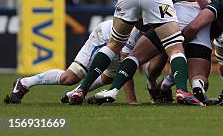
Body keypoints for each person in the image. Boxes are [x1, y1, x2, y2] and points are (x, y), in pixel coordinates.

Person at [70, 0, 211, 106]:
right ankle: (182, 90)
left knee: (113, 45)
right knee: (175, 48)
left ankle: (81, 89)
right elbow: (203, 1)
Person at [5, 20, 142, 104]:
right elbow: (126, 61)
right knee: (69, 78)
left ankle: (75, 94)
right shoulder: (136, 28)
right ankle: (25, 83)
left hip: (117, 42)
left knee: (108, 77)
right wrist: (132, 101)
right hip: (103, 38)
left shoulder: (154, 21)